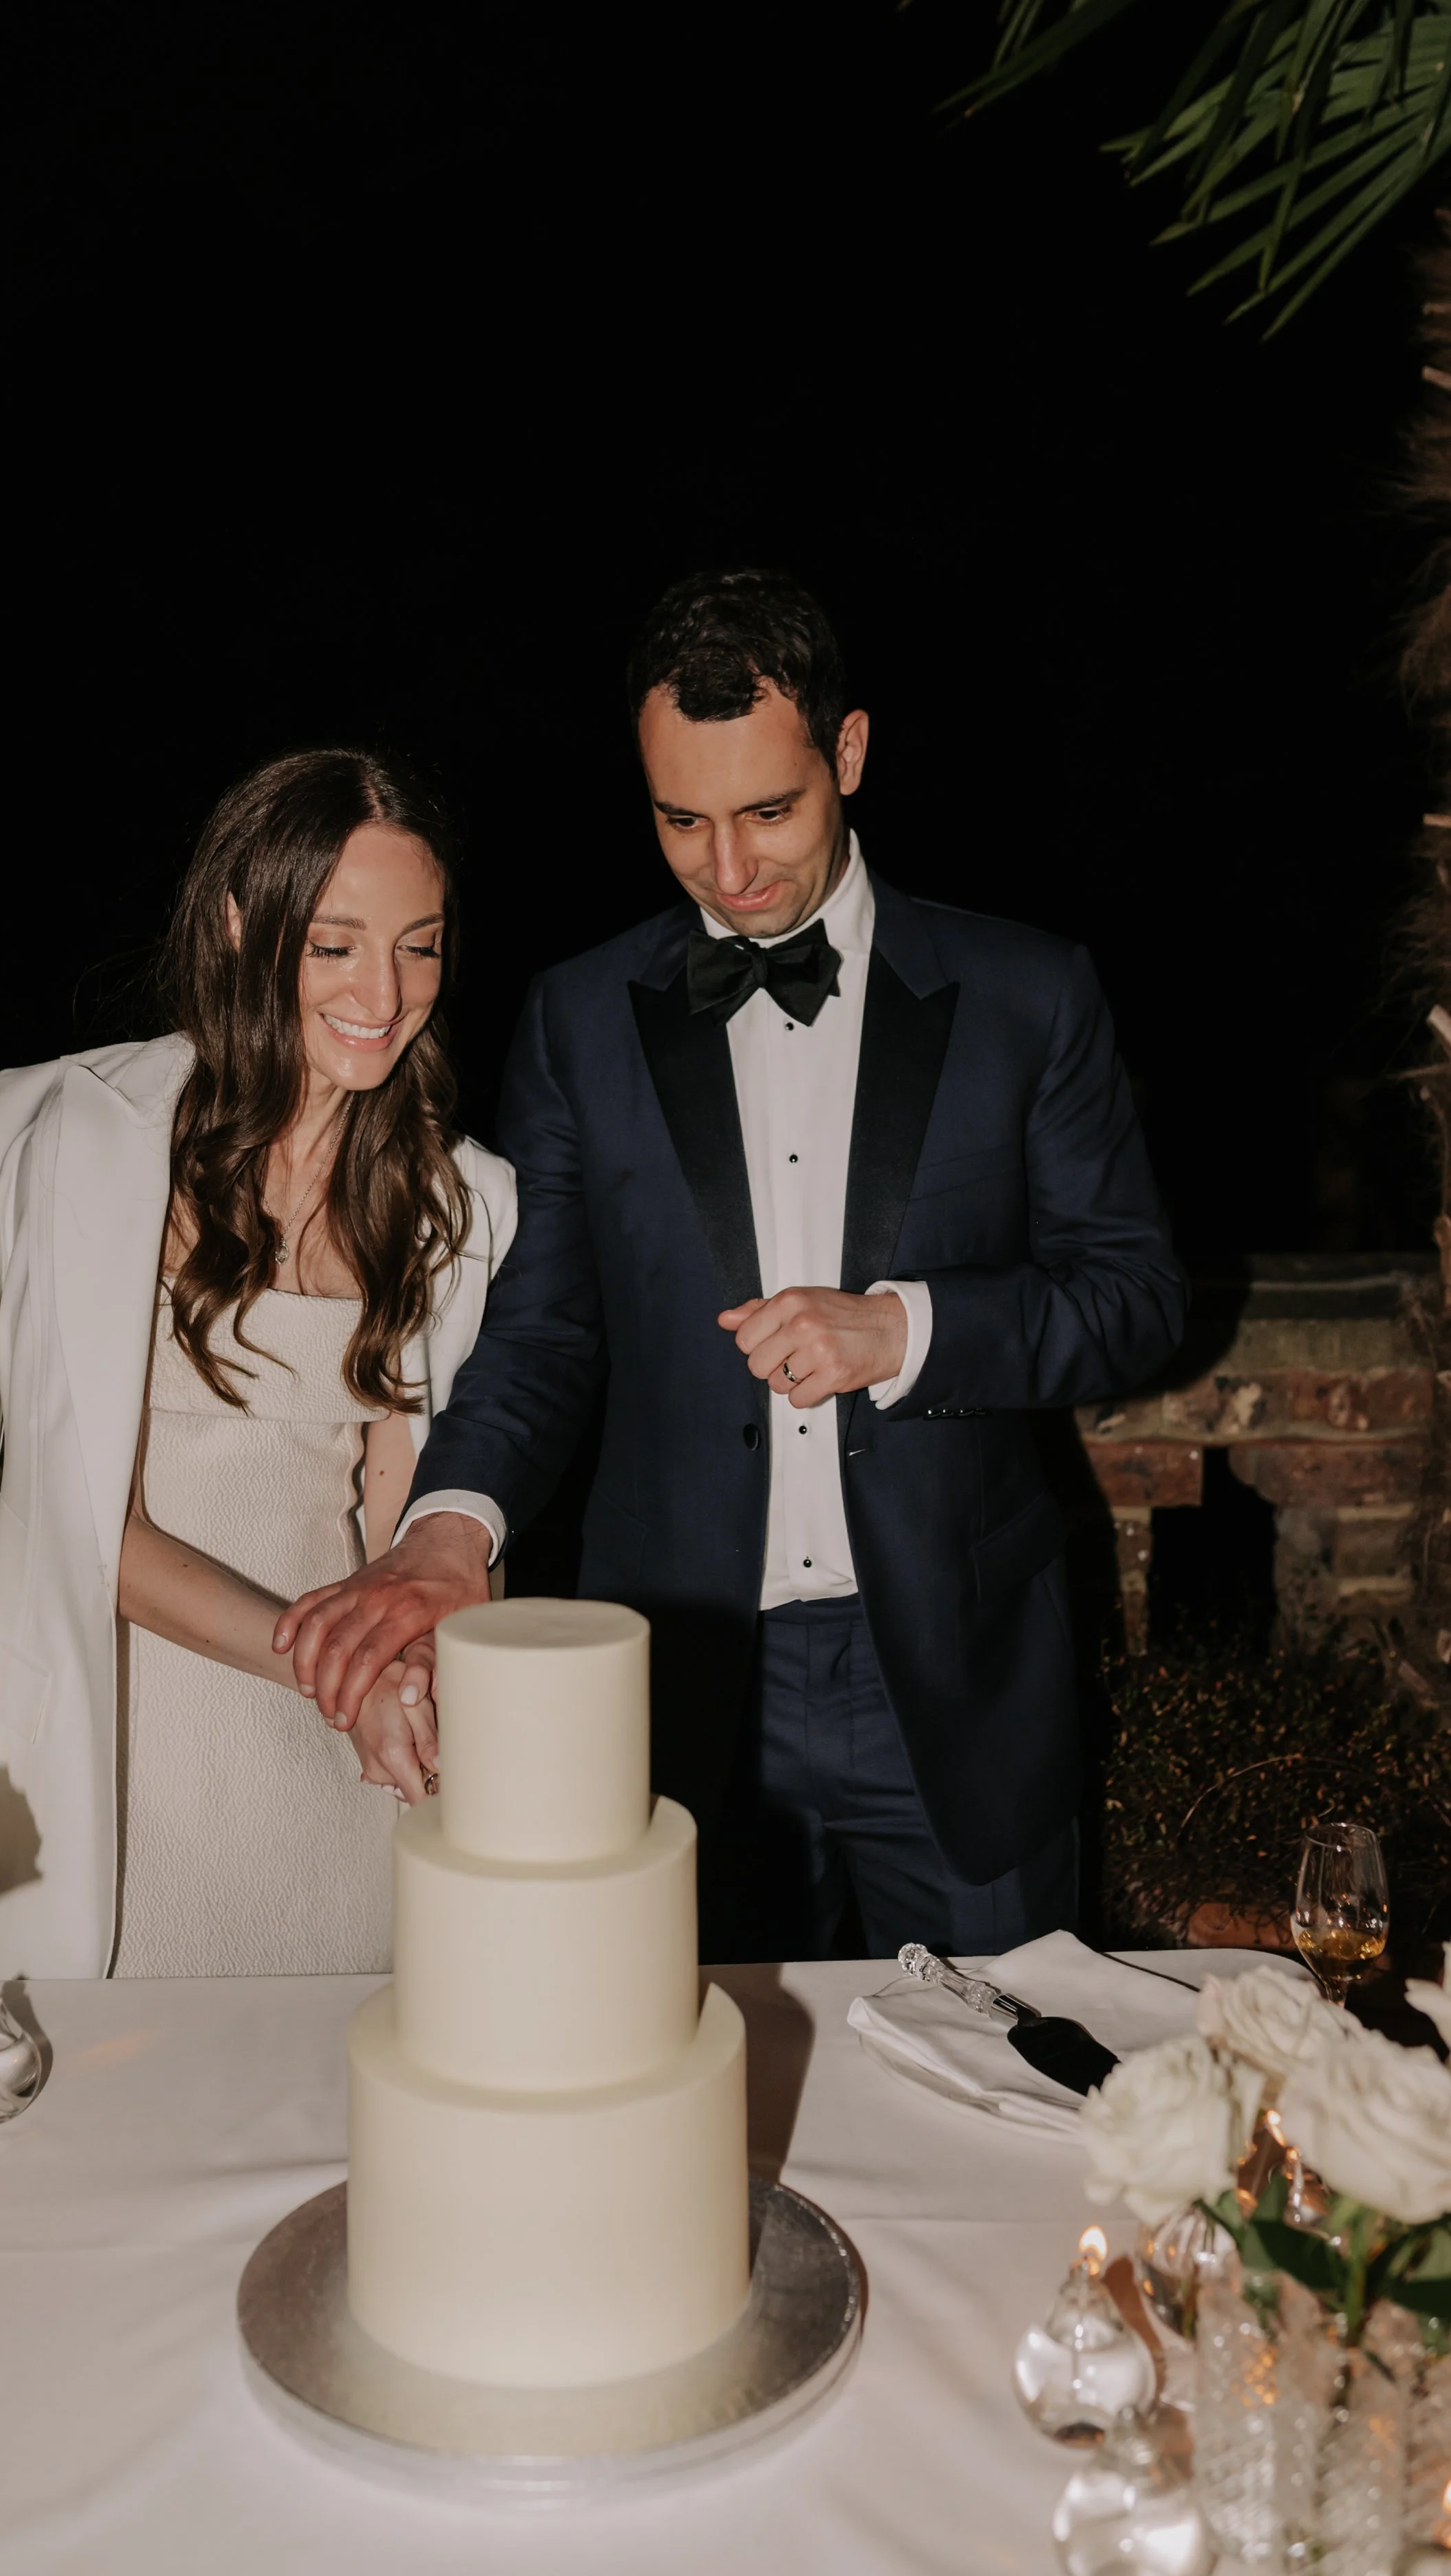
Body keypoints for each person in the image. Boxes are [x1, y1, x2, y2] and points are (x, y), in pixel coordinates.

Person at [275, 571, 1186, 1960]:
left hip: (947, 1683)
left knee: (995, 2102)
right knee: (710, 2124)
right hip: (679, 1685)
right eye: (680, 821)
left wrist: (907, 1331)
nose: (729, 869)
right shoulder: (580, 1017)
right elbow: (544, 1329)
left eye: (769, 810)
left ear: (851, 754)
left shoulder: (1025, 994)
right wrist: (449, 1529)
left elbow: (1133, 1301)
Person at [0, 749, 515, 1977]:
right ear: (241, 922)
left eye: (420, 944)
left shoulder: (455, 1200)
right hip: (122, 1754)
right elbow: (81, 1524)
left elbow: (407, 1527)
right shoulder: (87, 1143)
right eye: (334, 945)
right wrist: (330, 1655)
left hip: (339, 1762)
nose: (383, 992)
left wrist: (411, 1669)